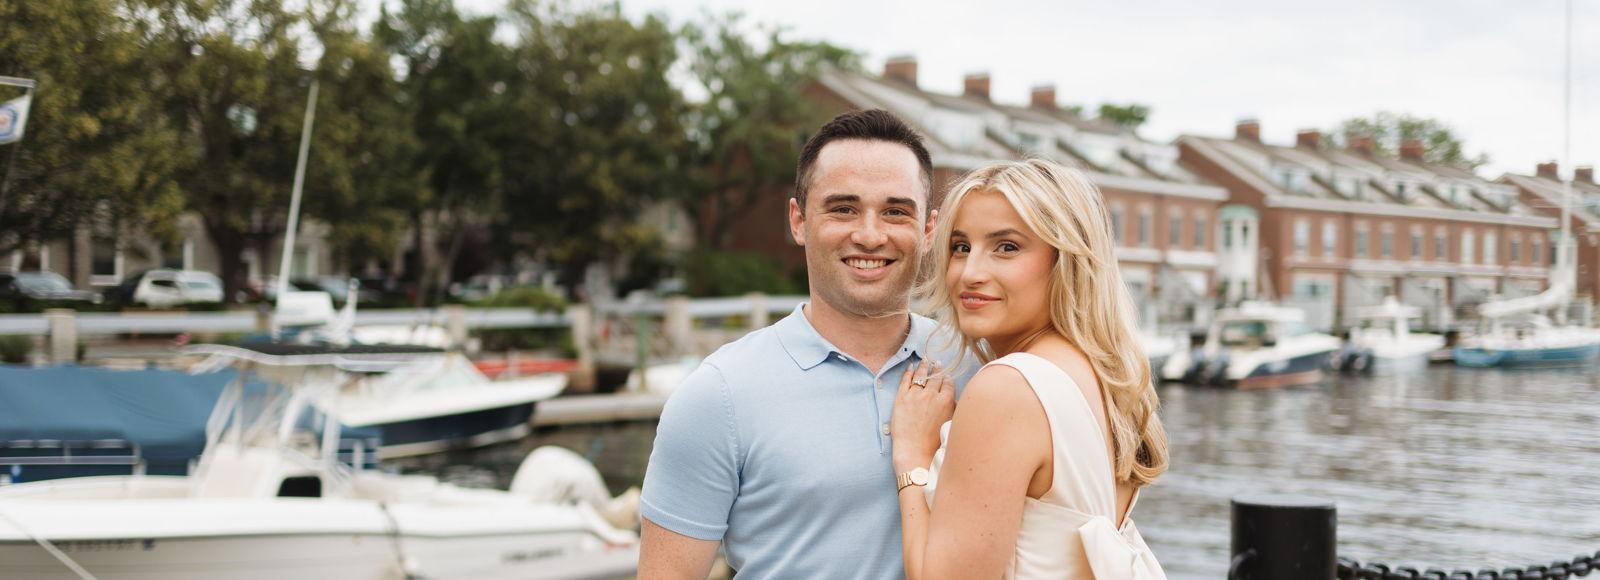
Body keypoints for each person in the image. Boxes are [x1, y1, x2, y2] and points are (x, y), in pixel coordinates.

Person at [638, 108, 952, 579]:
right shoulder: (718, 395)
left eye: (895, 211)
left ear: (928, 230)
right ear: (798, 221)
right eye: (843, 209)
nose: (870, 235)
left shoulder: (979, 367)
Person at [890, 159, 1170, 579]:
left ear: (1066, 260)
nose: (970, 273)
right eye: (961, 247)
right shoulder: (1100, 376)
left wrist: (912, 459)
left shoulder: (1008, 388)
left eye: (1006, 247)